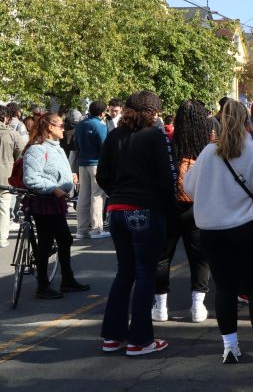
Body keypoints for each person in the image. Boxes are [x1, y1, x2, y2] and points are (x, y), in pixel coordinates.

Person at [184, 100, 253, 367]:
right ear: (247, 123)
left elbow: (190, 188)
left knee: (225, 288)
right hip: (247, 229)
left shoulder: (208, 153)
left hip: (211, 231)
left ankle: (230, 348)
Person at [97, 91, 176, 356]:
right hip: (145, 209)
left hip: (117, 209)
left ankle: (112, 336)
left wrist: (118, 192)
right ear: (152, 112)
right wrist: (168, 210)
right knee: (144, 275)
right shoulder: (156, 136)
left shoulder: (114, 136)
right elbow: (168, 178)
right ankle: (140, 340)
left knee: (125, 272)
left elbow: (102, 175)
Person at [152, 100, 212, 324]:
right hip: (198, 207)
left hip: (169, 206)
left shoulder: (168, 143)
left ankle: (160, 307)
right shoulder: (207, 146)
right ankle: (197, 306)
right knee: (199, 257)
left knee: (162, 256)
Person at [22, 113, 89, 299]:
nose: (63, 128)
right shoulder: (36, 149)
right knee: (45, 243)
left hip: (55, 201)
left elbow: (57, 172)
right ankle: (43, 285)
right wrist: (54, 189)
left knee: (64, 239)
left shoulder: (56, 148)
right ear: (50, 127)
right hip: (43, 202)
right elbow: (31, 178)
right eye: (60, 125)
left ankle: (67, 280)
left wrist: (69, 179)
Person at [74, 101, 110, 239]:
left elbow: (76, 144)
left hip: (82, 162)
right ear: (102, 113)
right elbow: (104, 146)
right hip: (96, 163)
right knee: (97, 195)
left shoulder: (81, 124)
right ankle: (96, 229)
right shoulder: (100, 125)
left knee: (83, 195)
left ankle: (81, 230)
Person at [0, 105, 26, 247]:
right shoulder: (12, 134)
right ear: (5, 118)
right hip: (5, 175)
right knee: (4, 207)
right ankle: (2, 238)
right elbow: (20, 155)